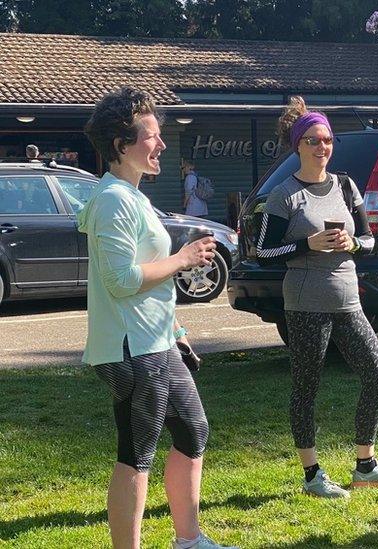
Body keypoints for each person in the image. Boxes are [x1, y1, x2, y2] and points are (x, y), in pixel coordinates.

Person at [79, 87, 236, 549]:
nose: (161, 144)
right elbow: (122, 280)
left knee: (194, 430)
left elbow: (148, 286)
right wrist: (184, 257)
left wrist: (176, 331)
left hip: (158, 343)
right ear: (122, 145)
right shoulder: (113, 200)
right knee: (137, 452)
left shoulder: (133, 196)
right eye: (151, 136)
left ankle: (189, 540)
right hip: (130, 351)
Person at [255, 96, 378, 498]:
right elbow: (263, 251)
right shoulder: (284, 195)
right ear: (298, 146)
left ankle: (365, 465)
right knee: (306, 389)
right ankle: (312, 476)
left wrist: (352, 244)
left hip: (347, 300)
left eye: (326, 139)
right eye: (312, 140)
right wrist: (308, 244)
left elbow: (370, 240)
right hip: (306, 304)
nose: (321, 146)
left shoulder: (345, 186)